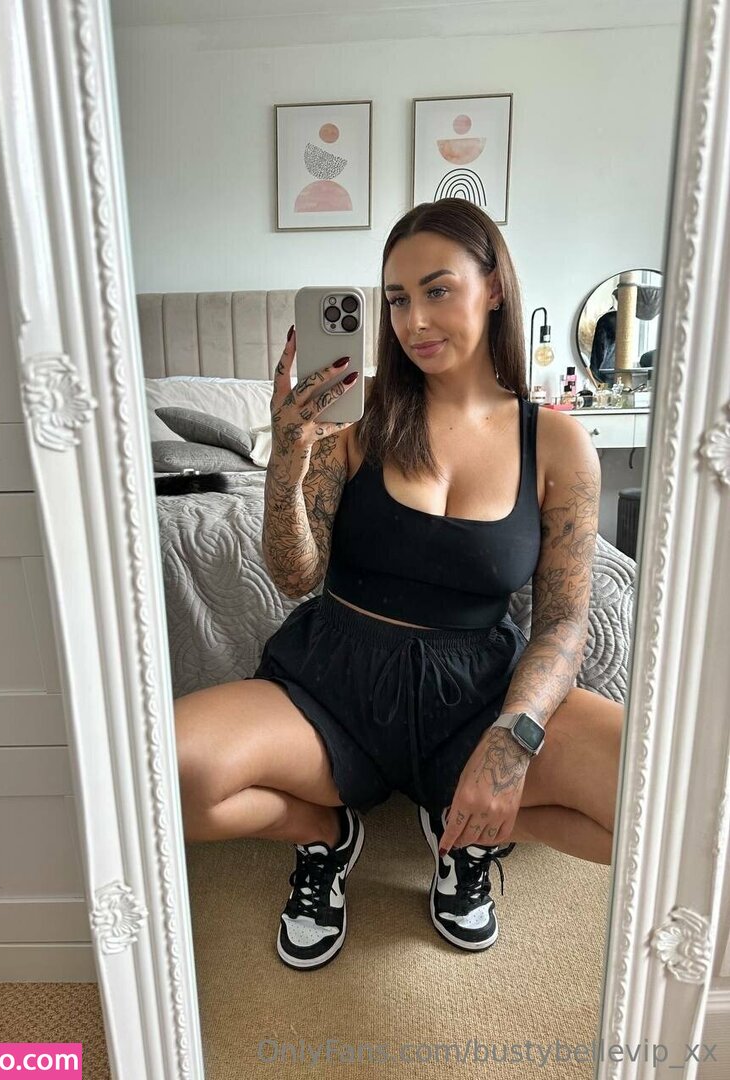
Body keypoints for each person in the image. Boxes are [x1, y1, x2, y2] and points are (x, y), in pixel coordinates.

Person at [173, 198, 623, 972]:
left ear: (494, 287)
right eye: (396, 298)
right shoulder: (359, 417)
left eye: (437, 289)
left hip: (477, 694)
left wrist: (511, 745)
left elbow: (563, 622)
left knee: (659, 802)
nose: (414, 320)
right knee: (165, 775)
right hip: (333, 683)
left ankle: (465, 829)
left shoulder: (555, 442)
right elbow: (294, 575)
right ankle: (325, 834)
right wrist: (287, 460)